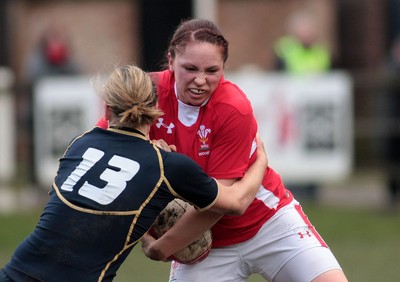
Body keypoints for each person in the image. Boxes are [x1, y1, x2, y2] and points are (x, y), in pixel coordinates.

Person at [0, 65, 268, 282]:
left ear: (106, 108)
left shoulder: (80, 143)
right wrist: (260, 161)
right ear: (154, 111)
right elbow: (236, 202)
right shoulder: (167, 166)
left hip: (15, 271)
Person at [137, 19, 348, 281]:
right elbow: (109, 149)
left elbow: (220, 201)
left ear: (224, 67)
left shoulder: (233, 107)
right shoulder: (144, 95)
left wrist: (163, 246)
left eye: (212, 70)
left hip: (269, 223)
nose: (200, 80)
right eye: (190, 68)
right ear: (170, 60)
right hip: (203, 246)